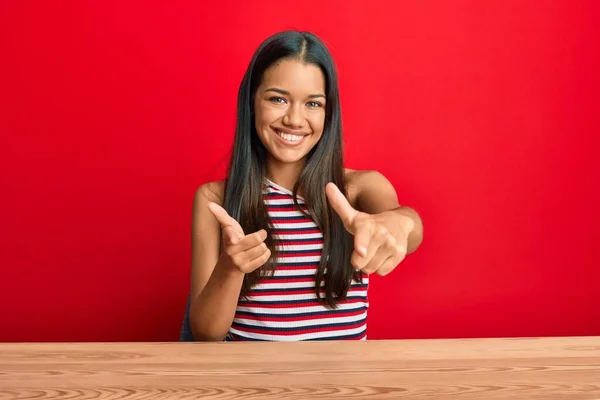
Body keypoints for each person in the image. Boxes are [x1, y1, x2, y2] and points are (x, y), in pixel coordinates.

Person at [189, 30, 423, 341]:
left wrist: (397, 223)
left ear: (329, 112)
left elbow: (409, 229)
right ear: (251, 103)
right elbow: (206, 334)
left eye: (313, 104)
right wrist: (230, 269)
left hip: (340, 386)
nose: (295, 120)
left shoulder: (358, 189)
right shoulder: (215, 199)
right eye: (278, 99)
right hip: (251, 385)